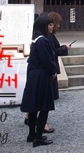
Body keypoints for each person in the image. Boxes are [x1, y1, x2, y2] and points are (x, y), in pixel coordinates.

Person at [20, 15, 57, 147]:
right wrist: (53, 72)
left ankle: (32, 134)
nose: (52, 27)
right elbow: (47, 60)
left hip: (34, 75)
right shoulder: (43, 41)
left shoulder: (35, 40)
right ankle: (39, 136)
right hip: (42, 76)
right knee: (44, 107)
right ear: (44, 26)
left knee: (34, 106)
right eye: (50, 25)